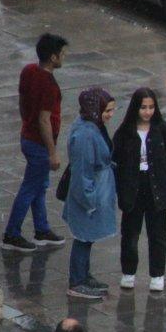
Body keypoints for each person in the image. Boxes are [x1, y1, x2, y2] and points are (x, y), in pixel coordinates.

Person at [112, 87, 166, 293]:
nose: (147, 112)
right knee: (130, 233)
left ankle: (157, 274)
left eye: (151, 107)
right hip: (133, 187)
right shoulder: (125, 133)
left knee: (158, 233)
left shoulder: (163, 130)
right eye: (143, 107)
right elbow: (116, 161)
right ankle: (128, 272)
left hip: (157, 187)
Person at [3, 32, 69, 252]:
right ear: (52, 57)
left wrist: (25, 123)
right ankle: (12, 234)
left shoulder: (28, 71)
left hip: (27, 137)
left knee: (40, 186)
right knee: (30, 188)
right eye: (61, 54)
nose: (63, 57)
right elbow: (44, 119)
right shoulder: (49, 85)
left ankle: (42, 229)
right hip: (39, 145)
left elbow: (23, 101)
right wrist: (52, 152)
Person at [64, 88, 118, 301]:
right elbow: (82, 173)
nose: (110, 115)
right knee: (83, 238)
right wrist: (90, 200)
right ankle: (77, 280)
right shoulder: (86, 135)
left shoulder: (91, 127)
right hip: (89, 197)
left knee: (88, 238)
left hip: (95, 193)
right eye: (107, 110)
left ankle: (83, 276)